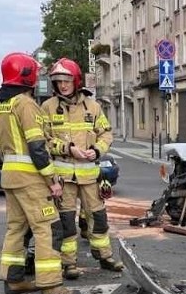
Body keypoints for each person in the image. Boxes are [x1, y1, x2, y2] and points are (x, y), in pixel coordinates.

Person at [0, 52, 80, 294]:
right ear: (26, 75)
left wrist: (10, 172)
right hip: (31, 179)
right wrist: (52, 180)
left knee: (16, 229)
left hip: (10, 178)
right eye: (35, 73)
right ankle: (51, 286)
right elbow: (38, 147)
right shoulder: (25, 104)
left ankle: (14, 279)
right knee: (48, 228)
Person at [41, 58, 124, 278]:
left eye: (66, 81)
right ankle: (68, 264)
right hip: (64, 177)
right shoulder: (48, 107)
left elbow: (106, 133)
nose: (62, 85)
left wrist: (97, 150)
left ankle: (105, 257)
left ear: (76, 81)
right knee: (67, 222)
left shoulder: (93, 106)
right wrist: (68, 149)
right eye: (58, 82)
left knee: (98, 218)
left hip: (90, 177)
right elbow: (43, 140)